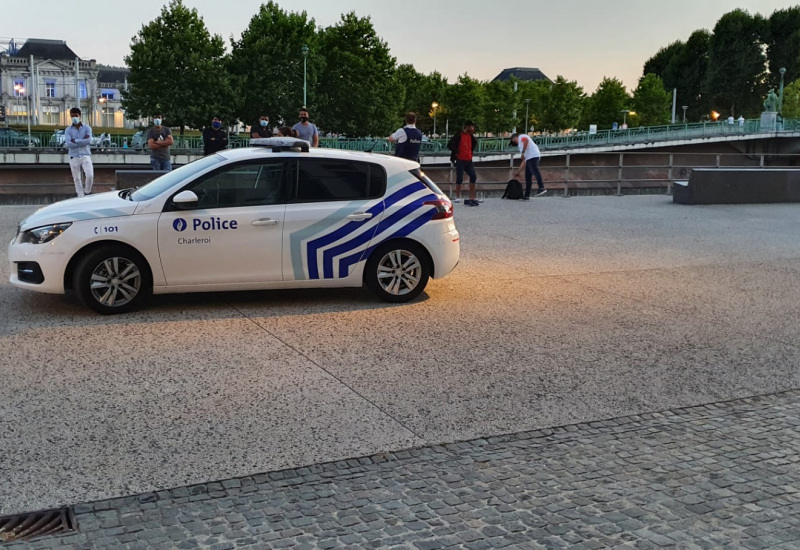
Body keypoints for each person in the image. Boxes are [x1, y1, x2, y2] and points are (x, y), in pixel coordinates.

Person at [447, 121, 479, 206]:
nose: (472, 129)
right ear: (466, 127)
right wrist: (457, 152)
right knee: (459, 177)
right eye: (471, 127)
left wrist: (470, 152)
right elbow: (450, 145)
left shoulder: (470, 136)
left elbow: (474, 143)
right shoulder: (458, 135)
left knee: (473, 176)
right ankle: (457, 196)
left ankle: (472, 197)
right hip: (460, 159)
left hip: (468, 159)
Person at [65, 107, 94, 197]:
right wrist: (81, 140)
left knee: (89, 175)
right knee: (76, 178)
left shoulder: (87, 128)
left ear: (80, 116)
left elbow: (88, 141)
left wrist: (75, 140)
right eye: (72, 116)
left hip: (85, 154)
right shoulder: (68, 130)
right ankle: (80, 195)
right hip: (73, 155)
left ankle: (87, 191)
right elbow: (69, 144)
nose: (74, 118)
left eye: (76, 116)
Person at [510, 132, 546, 200]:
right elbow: (524, 161)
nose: (515, 143)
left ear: (515, 137)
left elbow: (526, 140)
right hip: (530, 158)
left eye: (514, 141)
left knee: (535, 170)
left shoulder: (521, 137)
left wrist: (523, 152)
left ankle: (541, 187)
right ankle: (527, 195)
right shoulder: (521, 145)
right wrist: (518, 172)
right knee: (528, 176)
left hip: (533, 156)